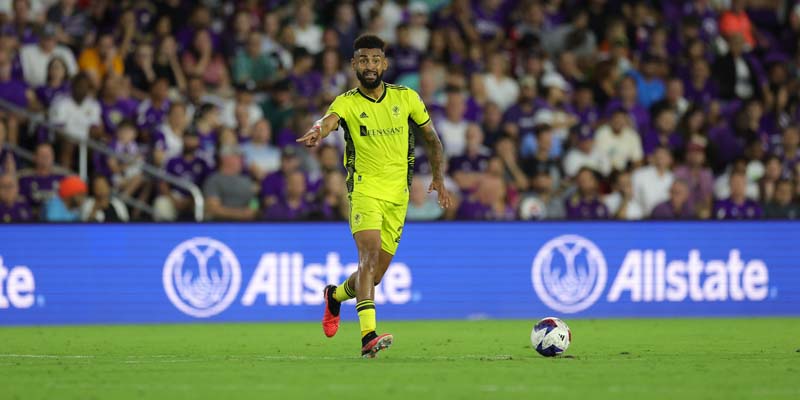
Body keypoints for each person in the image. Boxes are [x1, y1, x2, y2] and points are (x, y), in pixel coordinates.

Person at [296, 35, 451, 358]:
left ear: (384, 64)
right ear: (354, 65)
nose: (369, 66)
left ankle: (335, 295)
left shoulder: (406, 97)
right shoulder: (347, 102)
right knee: (366, 258)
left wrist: (438, 177)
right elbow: (328, 122)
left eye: (375, 60)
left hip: (398, 195)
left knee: (375, 275)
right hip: (365, 190)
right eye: (363, 60)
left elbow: (432, 138)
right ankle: (368, 335)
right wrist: (317, 131)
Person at [203, 145, 257, 221]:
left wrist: (253, 209)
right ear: (225, 159)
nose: (241, 160)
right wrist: (240, 214)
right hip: (222, 225)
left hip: (247, 225)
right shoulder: (214, 180)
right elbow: (212, 208)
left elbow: (254, 200)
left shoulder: (247, 180)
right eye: (237, 157)